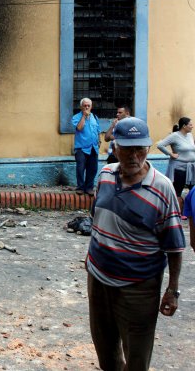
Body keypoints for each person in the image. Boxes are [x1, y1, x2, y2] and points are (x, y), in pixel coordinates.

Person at [86, 117, 184, 371]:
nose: (134, 155)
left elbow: (174, 247)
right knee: (105, 350)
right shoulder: (105, 175)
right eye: (127, 148)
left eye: (140, 148)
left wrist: (172, 290)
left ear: (148, 148)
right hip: (98, 279)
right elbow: (97, 218)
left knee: (137, 358)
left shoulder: (163, 189)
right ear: (115, 147)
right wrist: (91, 258)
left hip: (138, 288)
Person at [156, 117, 195, 201]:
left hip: (191, 168)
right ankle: (177, 212)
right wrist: (170, 154)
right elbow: (160, 145)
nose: (192, 126)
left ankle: (190, 211)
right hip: (179, 169)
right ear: (184, 126)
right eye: (190, 125)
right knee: (178, 192)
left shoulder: (190, 135)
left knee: (193, 191)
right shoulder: (174, 136)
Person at [72, 97, 100, 195]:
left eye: (88, 105)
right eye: (85, 106)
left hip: (93, 147)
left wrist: (99, 141)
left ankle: (89, 187)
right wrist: (84, 116)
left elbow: (98, 131)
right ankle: (80, 187)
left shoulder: (95, 117)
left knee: (93, 168)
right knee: (80, 168)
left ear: (91, 106)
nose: (87, 107)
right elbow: (79, 128)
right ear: (81, 107)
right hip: (81, 148)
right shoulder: (76, 117)